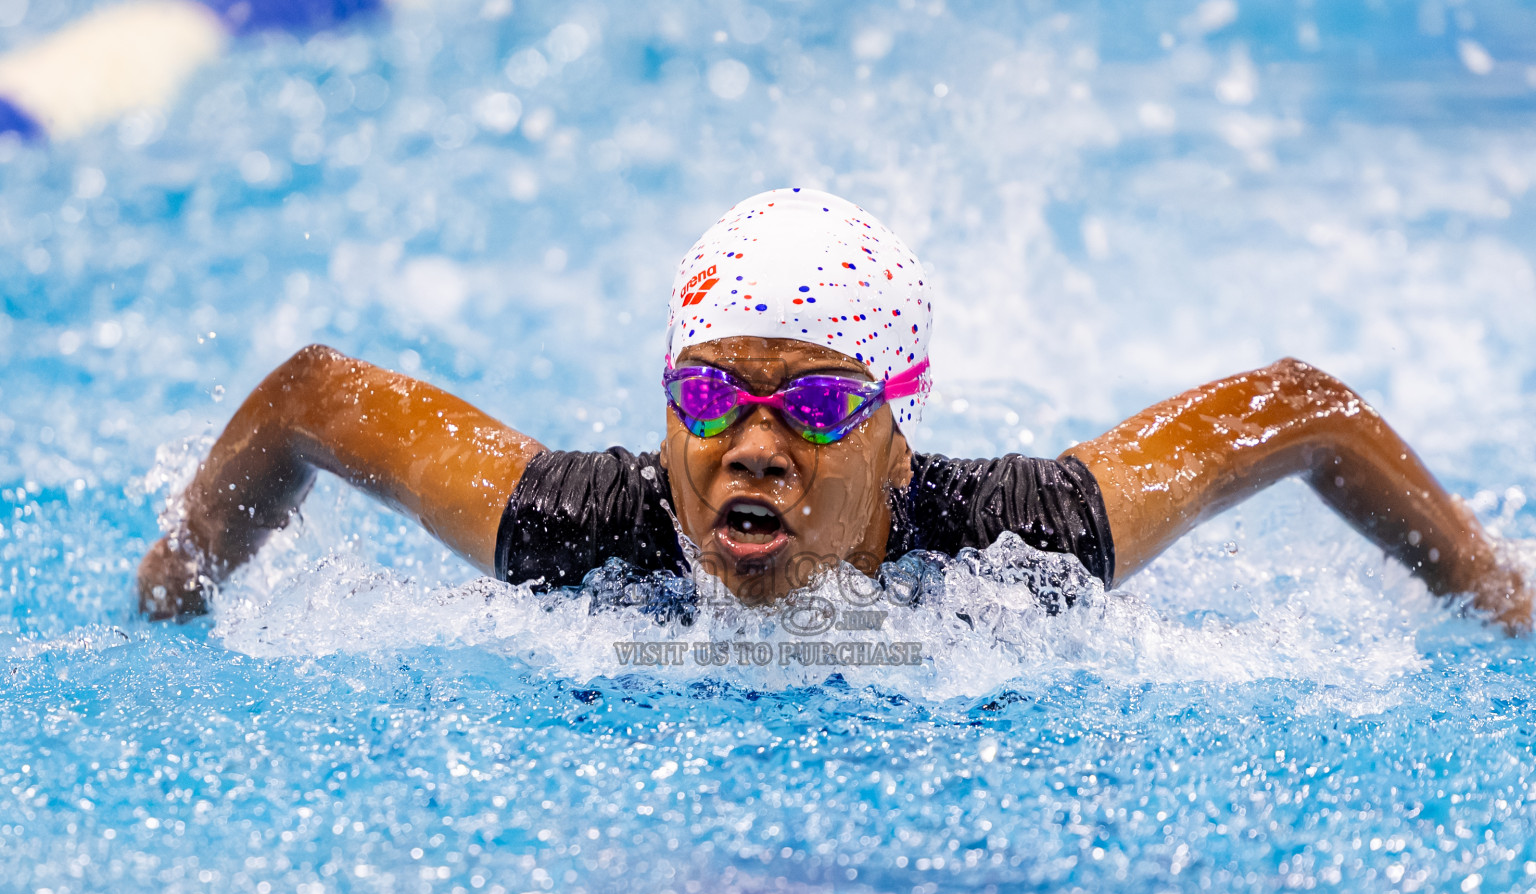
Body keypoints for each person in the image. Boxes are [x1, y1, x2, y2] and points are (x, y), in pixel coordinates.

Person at [136, 188, 1532, 633]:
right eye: (708, 397)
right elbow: (315, 397)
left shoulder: (1018, 543)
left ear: (894, 428)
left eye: (812, 404)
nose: (751, 442)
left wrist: (1491, 596)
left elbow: (1301, 409)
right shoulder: (579, 526)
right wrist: (171, 594)